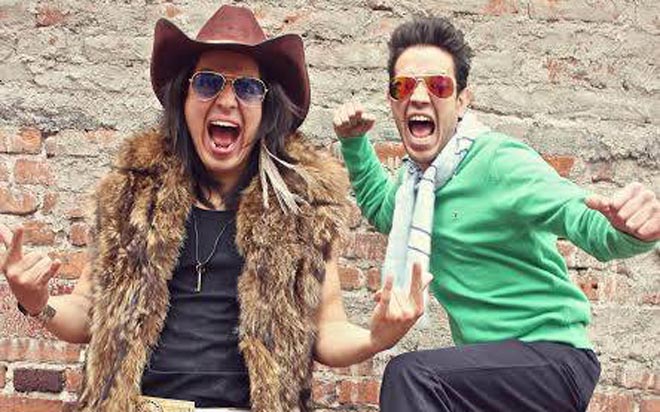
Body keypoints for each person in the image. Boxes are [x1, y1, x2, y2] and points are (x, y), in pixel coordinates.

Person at [0, 5, 429, 412]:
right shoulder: (131, 194)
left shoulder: (302, 209)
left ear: (267, 110)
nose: (226, 100)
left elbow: (328, 331)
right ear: (184, 98)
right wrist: (38, 302)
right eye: (208, 83)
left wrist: (377, 337)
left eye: (247, 88)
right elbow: (85, 314)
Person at [333, 16, 659, 412]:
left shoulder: (499, 161)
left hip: (554, 360)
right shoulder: (415, 188)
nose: (418, 97)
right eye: (403, 86)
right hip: (494, 369)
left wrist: (629, 232)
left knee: (412, 375)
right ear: (392, 102)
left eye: (438, 85)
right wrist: (354, 143)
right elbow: (381, 209)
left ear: (462, 100)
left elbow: (577, 214)